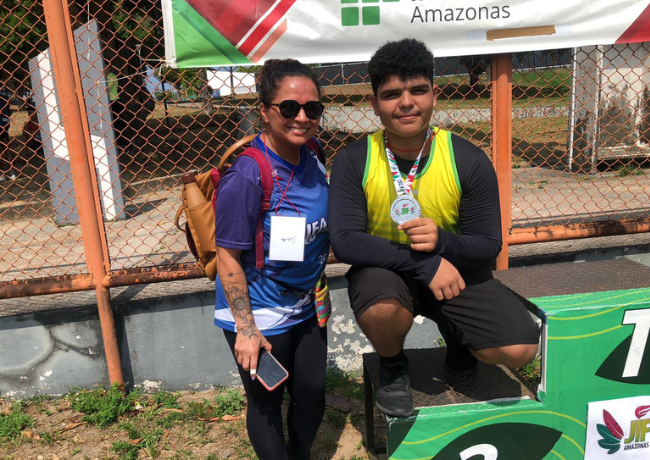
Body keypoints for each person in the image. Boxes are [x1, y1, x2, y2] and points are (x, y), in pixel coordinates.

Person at [328, 38, 540, 418]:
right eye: (391, 94)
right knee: (381, 308)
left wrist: (442, 241)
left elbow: (488, 244)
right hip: (387, 273)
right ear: (374, 104)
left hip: (453, 273)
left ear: (434, 95)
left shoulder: (467, 158)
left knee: (520, 348)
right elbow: (345, 241)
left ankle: (459, 341)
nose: (406, 102)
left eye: (417, 90)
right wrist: (423, 263)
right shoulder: (354, 160)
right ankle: (392, 364)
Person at [214, 59, 330, 460]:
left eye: (312, 108)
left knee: (312, 396)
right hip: (259, 309)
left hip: (307, 300)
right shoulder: (248, 175)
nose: (302, 117)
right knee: (267, 404)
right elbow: (227, 257)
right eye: (289, 107)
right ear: (264, 110)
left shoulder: (312, 152)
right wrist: (246, 328)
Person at [0, 84, 16, 182]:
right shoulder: (4, 89)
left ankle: (1, 173)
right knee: (6, 147)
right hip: (5, 120)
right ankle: (11, 172)